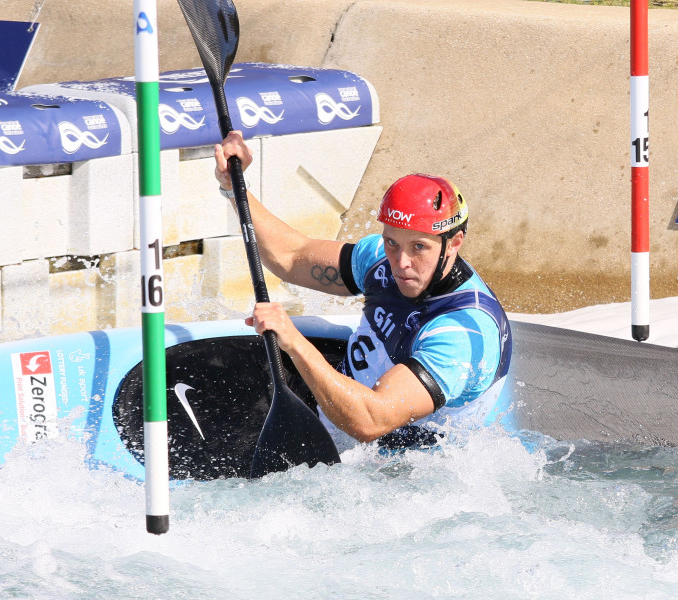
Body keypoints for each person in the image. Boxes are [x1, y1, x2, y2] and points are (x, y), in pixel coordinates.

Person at [214, 131, 512, 450]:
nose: (401, 262)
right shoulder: (379, 260)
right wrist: (235, 186)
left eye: (419, 248)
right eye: (392, 242)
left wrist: (294, 342)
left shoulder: (461, 334)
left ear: (453, 243)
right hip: (337, 420)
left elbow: (371, 421)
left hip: (405, 472)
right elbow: (291, 256)